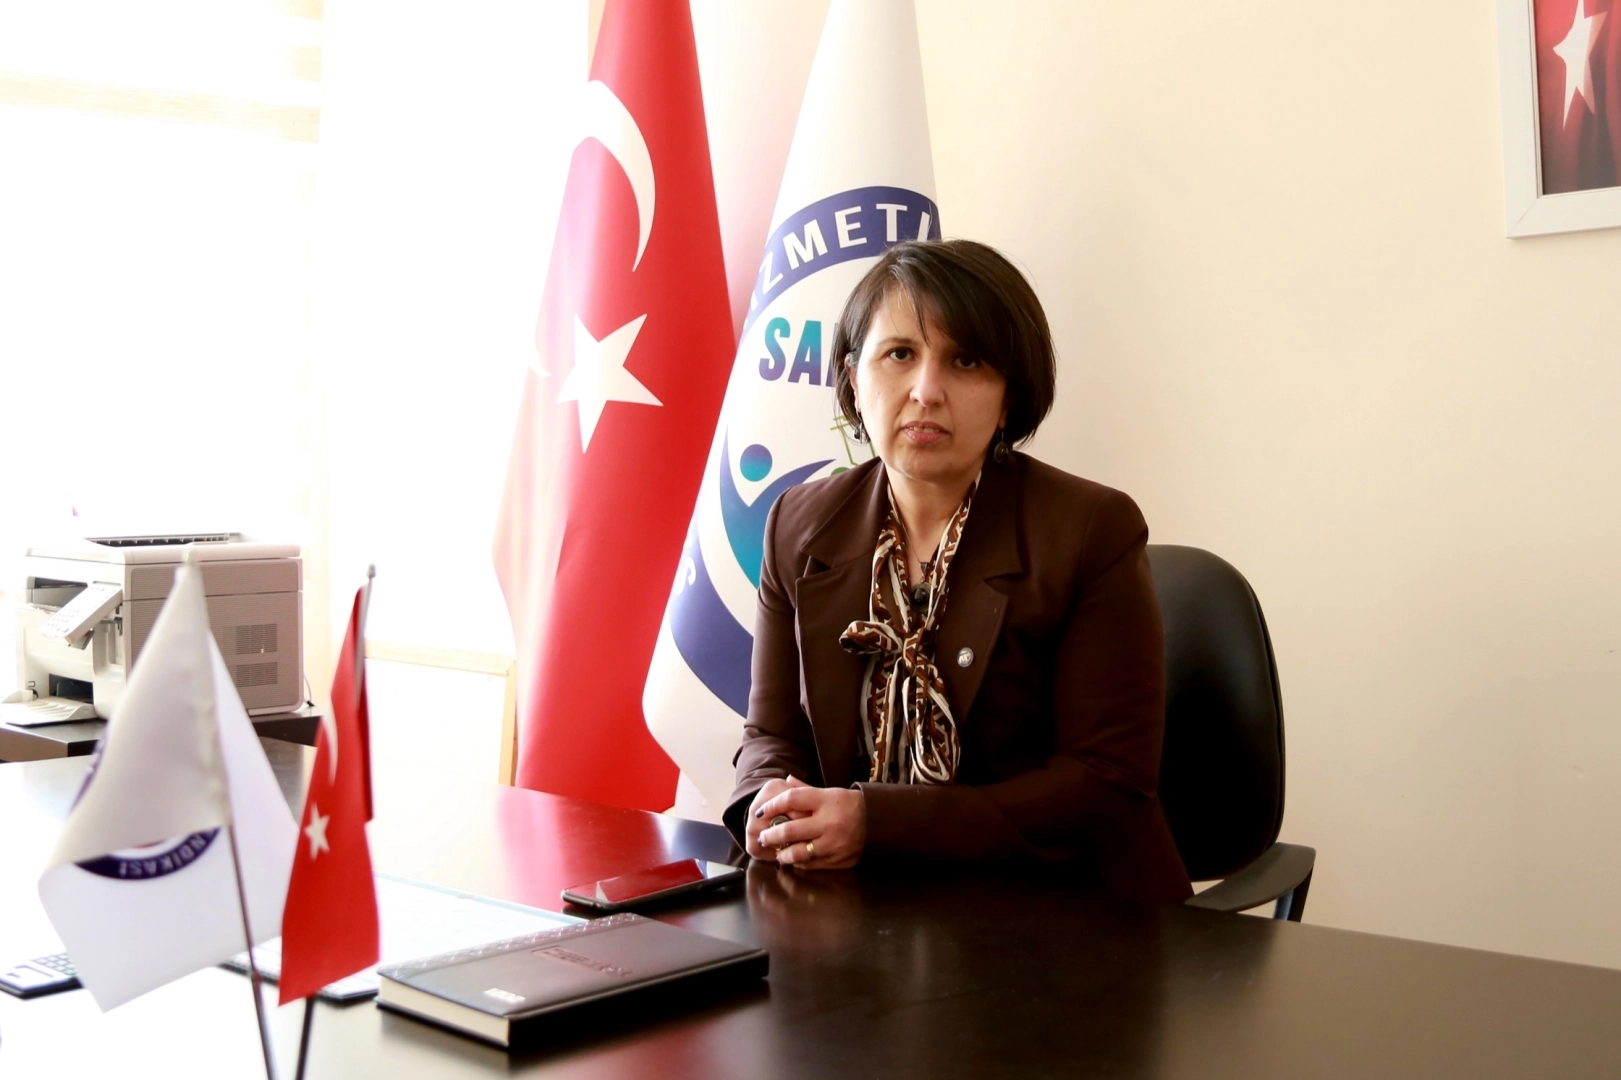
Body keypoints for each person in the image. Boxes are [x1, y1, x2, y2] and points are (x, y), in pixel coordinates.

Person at [726, 240, 1191, 903]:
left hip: (1064, 912)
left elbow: (1104, 785)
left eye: (965, 361)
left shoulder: (1091, 529)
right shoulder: (797, 525)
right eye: (899, 355)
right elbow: (772, 735)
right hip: (857, 908)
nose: (926, 392)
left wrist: (876, 823)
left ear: (1009, 397)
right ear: (853, 378)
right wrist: (767, 804)